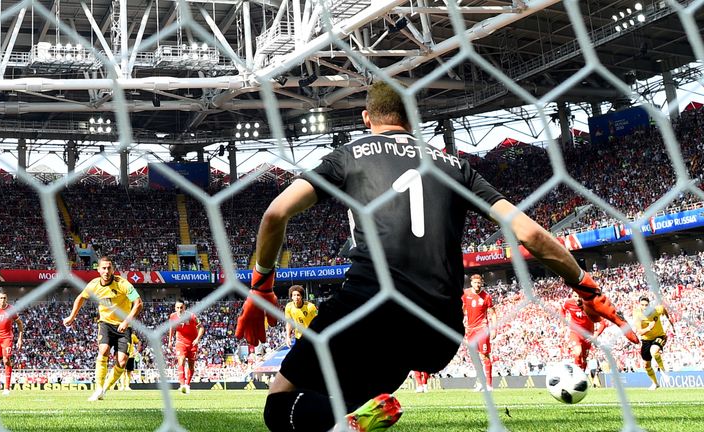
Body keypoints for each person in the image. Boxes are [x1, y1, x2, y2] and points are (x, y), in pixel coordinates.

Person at [234, 81, 638, 432]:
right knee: (359, 388)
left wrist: (263, 287)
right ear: (414, 119)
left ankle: (345, 424)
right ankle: (354, 416)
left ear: (365, 117)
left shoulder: (350, 155)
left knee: (280, 405)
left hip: (369, 305)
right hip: (438, 329)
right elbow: (529, 233)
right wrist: (586, 287)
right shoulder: (457, 168)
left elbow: (275, 214)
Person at [62, 256, 143, 401]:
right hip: (105, 323)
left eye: (109, 268)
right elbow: (80, 298)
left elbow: (138, 303)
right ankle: (98, 388)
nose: (106, 270)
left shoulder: (123, 284)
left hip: (124, 325)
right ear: (98, 270)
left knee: (122, 361)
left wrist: (126, 321)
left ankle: (105, 388)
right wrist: (71, 316)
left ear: (113, 269)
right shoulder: (93, 285)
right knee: (104, 350)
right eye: (103, 268)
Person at [462, 274, 496, 391]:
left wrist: (494, 329)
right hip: (470, 329)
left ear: (481, 283)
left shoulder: (486, 296)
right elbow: (462, 309)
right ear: (471, 283)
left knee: (485, 355)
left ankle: (489, 384)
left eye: (479, 283)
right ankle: (481, 382)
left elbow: (493, 313)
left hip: (482, 329)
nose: (477, 285)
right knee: (474, 357)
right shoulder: (466, 294)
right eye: (475, 283)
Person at [633, 295, 675, 390]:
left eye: (646, 305)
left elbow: (663, 309)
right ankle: (655, 383)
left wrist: (669, 320)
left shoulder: (657, 310)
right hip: (646, 340)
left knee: (654, 351)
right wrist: (648, 328)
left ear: (649, 305)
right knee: (646, 365)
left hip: (659, 336)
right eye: (642, 305)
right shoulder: (637, 314)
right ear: (639, 305)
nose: (644, 307)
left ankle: (663, 371)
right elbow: (639, 331)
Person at [561, 291, 606, 371]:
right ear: (572, 296)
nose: (577, 298)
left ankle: (582, 374)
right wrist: (563, 323)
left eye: (579, 296)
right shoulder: (568, 303)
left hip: (588, 335)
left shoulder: (591, 306)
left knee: (584, 359)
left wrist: (596, 334)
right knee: (578, 353)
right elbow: (562, 310)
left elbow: (603, 323)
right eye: (575, 296)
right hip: (575, 332)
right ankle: (577, 375)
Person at [168, 300, 204, 394]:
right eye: (177, 307)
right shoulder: (173, 316)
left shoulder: (191, 316)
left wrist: (197, 339)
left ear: (184, 307)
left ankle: (187, 384)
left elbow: (201, 327)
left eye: (181, 307)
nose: (179, 310)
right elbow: (172, 328)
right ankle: (182, 384)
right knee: (181, 360)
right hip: (180, 342)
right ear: (175, 308)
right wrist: (170, 341)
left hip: (192, 343)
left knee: (191, 365)